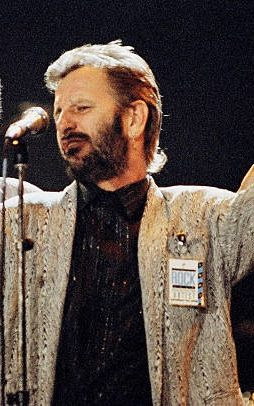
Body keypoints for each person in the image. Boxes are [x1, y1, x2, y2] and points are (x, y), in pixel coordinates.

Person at [2, 40, 254, 406]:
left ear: (134, 117)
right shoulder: (21, 220)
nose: (65, 123)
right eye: (59, 112)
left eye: (82, 108)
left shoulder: (206, 216)